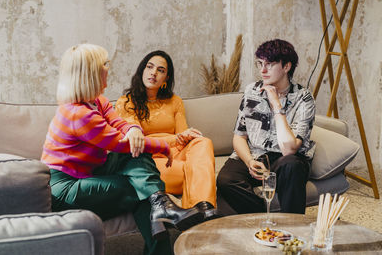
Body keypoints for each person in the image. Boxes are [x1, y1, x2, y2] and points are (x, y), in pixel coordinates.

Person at [41, 44, 204, 255]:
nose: (108, 75)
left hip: (91, 171)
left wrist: (134, 128)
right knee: (141, 190)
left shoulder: (97, 101)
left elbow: (120, 123)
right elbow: (121, 143)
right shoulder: (77, 114)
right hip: (65, 188)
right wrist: (164, 146)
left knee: (141, 165)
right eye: (104, 70)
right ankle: (161, 216)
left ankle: (160, 205)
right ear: (91, 76)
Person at [115, 50, 218, 220]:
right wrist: (175, 139)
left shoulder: (174, 101)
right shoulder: (126, 102)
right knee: (197, 171)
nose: (154, 73)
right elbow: (138, 143)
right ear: (142, 70)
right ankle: (202, 214)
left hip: (177, 154)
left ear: (166, 78)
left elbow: (183, 137)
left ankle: (204, 208)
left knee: (203, 142)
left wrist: (184, 137)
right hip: (149, 160)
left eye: (161, 70)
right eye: (149, 67)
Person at [216, 39, 316, 214]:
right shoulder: (251, 91)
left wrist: (276, 104)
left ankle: (293, 226)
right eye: (260, 64)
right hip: (255, 154)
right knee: (225, 180)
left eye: (269, 64)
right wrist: (249, 161)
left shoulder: (303, 98)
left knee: (292, 166)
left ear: (286, 67)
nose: (262, 70)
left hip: (284, 160)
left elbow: (289, 149)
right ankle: (263, 216)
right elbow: (239, 136)